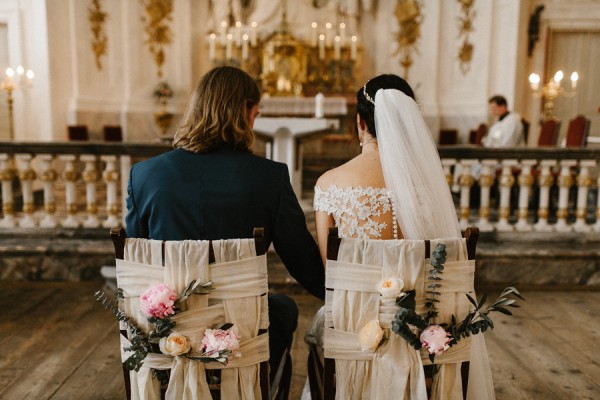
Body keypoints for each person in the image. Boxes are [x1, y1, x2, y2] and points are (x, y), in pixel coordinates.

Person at [125, 66, 325, 384]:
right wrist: (347, 293)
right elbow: (303, 262)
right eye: (255, 114)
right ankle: (250, 386)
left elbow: (137, 265)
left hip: (170, 331)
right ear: (243, 111)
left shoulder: (145, 176)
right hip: (241, 330)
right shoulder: (269, 178)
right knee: (283, 307)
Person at [303, 74, 495, 399]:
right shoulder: (428, 188)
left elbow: (330, 276)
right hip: (424, 327)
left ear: (361, 122)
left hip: (354, 326)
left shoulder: (330, 184)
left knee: (318, 332)